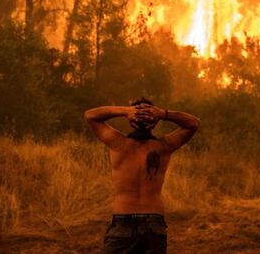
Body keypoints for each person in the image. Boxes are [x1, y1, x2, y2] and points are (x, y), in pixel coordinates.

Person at [84, 98, 200, 254]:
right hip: (154, 224)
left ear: (131, 122)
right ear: (154, 123)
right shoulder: (163, 146)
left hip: (123, 221)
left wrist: (126, 112)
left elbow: (90, 116)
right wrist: (163, 114)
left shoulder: (118, 143)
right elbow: (193, 124)